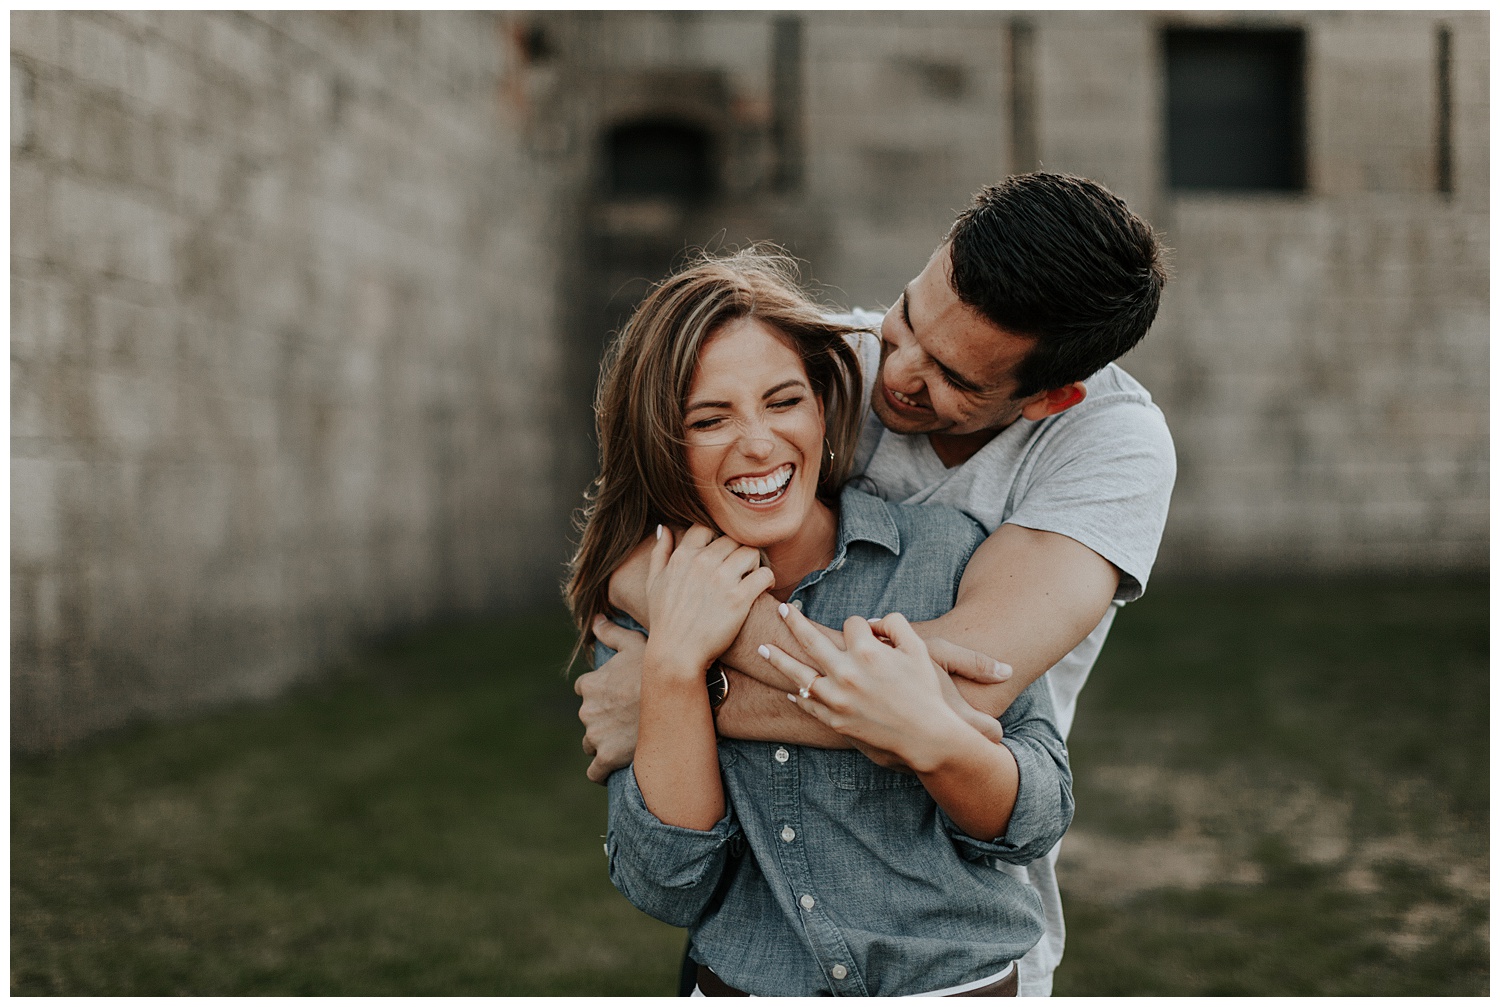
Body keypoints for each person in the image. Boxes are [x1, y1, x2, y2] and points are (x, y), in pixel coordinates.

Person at [576, 172, 1175, 996]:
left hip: (950, 913)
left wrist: (676, 689)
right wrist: (666, 633)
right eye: (907, 314)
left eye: (953, 378)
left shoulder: (1109, 444)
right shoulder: (825, 365)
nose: (895, 371)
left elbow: (954, 692)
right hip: (761, 939)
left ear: (1047, 398)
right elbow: (635, 536)